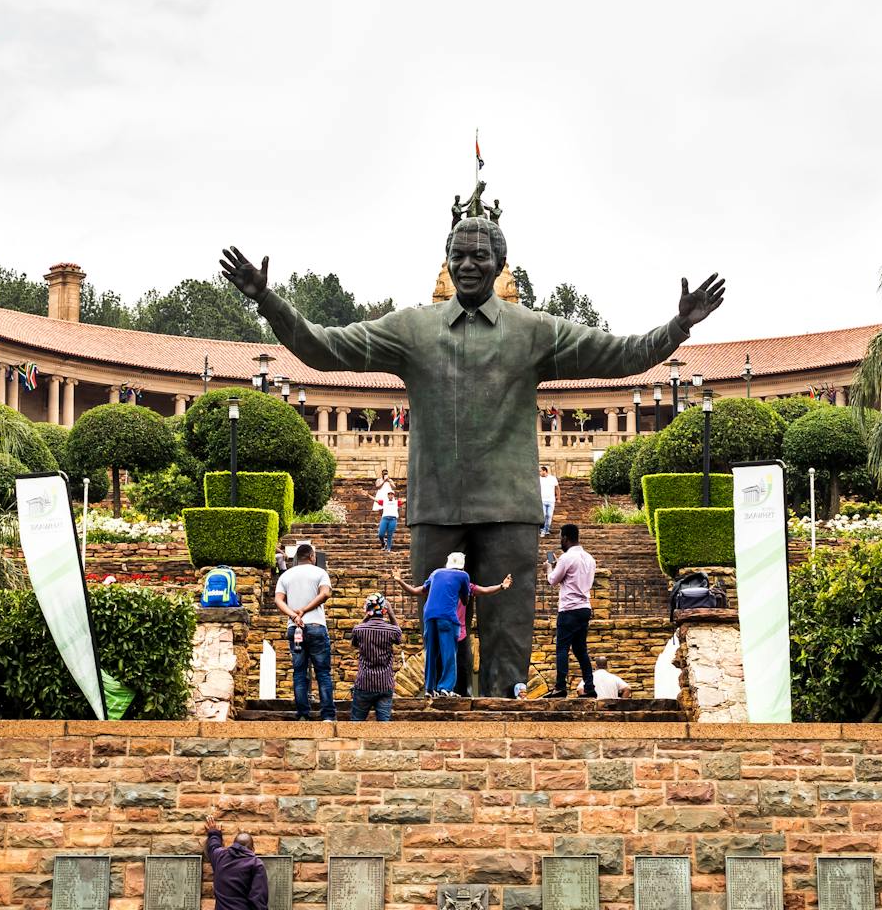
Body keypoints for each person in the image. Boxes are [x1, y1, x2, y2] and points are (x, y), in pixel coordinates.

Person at [219, 219, 725, 696]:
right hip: (437, 505)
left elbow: (620, 355)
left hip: (508, 508)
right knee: (440, 638)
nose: (467, 264)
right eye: (458, 255)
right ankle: (447, 728)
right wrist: (268, 300)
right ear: (446, 261)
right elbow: (324, 348)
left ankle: (505, 740)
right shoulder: (412, 329)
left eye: (479, 256)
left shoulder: (534, 331)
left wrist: (678, 325)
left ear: (500, 263)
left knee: (509, 643)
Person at [397, 552, 511, 696]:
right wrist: (501, 586)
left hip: (429, 616)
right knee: (449, 654)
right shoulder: (463, 576)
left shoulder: (436, 574)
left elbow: (415, 591)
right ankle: (446, 687)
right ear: (462, 565)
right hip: (448, 618)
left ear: (447, 563)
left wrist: (399, 580)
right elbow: (470, 595)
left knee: (431, 653)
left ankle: (429, 688)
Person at [274, 541, 335, 721]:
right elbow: (325, 594)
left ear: (296, 558)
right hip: (316, 627)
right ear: (311, 556)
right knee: (322, 672)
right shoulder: (320, 572)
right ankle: (328, 716)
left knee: (299, 672)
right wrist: (305, 610)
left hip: (296, 629)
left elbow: (279, 601)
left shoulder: (286, 576)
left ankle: (302, 715)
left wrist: (294, 615)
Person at [545, 523, 596, 699]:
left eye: (561, 537)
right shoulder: (590, 558)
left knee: (562, 648)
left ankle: (560, 687)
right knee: (581, 649)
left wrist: (549, 567)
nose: (560, 540)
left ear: (565, 538)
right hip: (584, 608)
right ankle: (589, 687)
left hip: (569, 609)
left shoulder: (566, 558)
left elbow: (552, 580)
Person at [349, 592, 402, 722]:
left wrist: (365, 618)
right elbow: (399, 636)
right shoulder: (392, 631)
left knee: (355, 724)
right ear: (384, 610)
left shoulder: (359, 630)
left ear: (367, 609)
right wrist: (391, 613)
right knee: (384, 726)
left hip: (364, 683)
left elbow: (353, 643)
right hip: (384, 684)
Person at [204, 816, 269, 910]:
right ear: (253, 849)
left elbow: (213, 847)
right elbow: (258, 900)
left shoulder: (220, 857)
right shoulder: (256, 864)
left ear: (233, 844)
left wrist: (214, 833)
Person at [373, 471, 400, 552]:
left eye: (386, 473)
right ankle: (383, 521)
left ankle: (388, 547)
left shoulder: (390, 480)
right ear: (381, 473)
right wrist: (384, 481)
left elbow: (394, 487)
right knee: (380, 507)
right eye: (384, 473)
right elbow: (377, 487)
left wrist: (389, 481)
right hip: (381, 494)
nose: (385, 474)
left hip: (389, 494)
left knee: (388, 507)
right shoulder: (379, 480)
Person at [538, 465, 558, 536]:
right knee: (543, 515)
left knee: (549, 516)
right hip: (542, 500)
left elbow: (557, 488)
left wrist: (558, 497)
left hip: (551, 501)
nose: (539, 472)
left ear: (544, 471)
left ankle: (547, 530)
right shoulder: (538, 479)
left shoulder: (553, 478)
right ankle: (542, 529)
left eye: (540, 471)